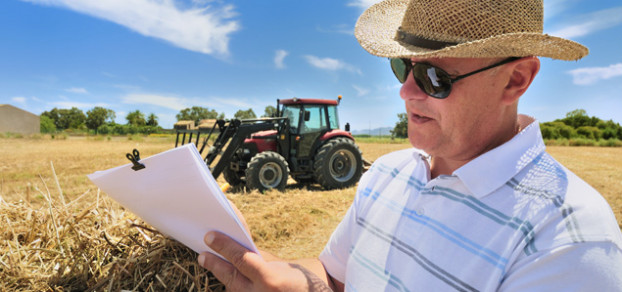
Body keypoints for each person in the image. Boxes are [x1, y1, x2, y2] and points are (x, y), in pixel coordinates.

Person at [197, 0, 622, 290]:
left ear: (516, 80)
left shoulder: (568, 242)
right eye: (403, 66)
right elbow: (337, 279)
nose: (405, 92)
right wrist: (273, 271)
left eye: (435, 77)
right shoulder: (389, 172)